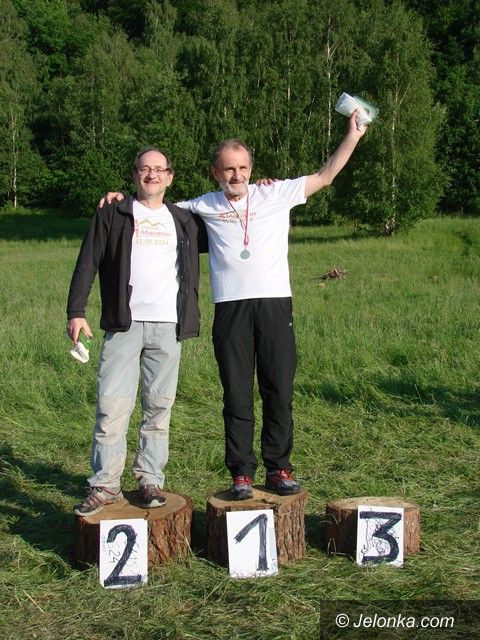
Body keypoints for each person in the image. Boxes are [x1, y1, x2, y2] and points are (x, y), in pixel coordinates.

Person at [101, 112, 366, 500]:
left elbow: (325, 176)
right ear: (215, 173)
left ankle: (279, 468)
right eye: (228, 169)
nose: (236, 175)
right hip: (230, 309)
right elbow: (153, 207)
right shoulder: (201, 206)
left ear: (251, 169)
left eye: (242, 168)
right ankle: (241, 472)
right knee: (237, 395)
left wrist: (353, 135)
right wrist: (120, 200)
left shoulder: (276, 194)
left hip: (275, 306)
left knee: (278, 390)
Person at [67, 147, 207, 516]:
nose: (152, 174)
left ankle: (149, 479)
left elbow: (230, 219)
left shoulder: (184, 220)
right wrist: (76, 312)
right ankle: (104, 485)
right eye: (145, 168)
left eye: (159, 169)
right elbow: (88, 261)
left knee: (159, 407)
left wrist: (261, 193)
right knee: (111, 407)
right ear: (135, 175)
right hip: (122, 325)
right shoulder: (113, 213)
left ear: (170, 177)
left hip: (168, 326)